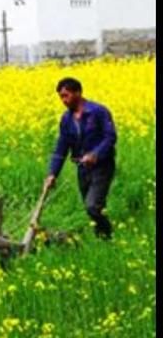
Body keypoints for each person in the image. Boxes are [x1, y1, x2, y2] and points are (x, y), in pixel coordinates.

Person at [44, 77, 117, 239]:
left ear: (78, 93)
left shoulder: (98, 111)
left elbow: (110, 137)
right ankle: (103, 240)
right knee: (92, 207)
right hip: (82, 169)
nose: (63, 100)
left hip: (102, 167)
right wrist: (52, 174)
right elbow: (61, 148)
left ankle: (108, 236)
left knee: (92, 206)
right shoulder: (66, 119)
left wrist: (95, 154)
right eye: (61, 97)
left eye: (66, 95)